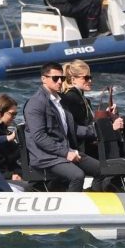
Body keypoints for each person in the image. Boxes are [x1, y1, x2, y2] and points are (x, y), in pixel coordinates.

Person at [24, 62, 103, 192]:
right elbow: (39, 137)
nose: (60, 81)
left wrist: (98, 131)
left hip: (63, 151)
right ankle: (71, 209)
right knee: (77, 176)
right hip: (46, 157)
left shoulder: (59, 101)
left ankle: (94, 202)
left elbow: (71, 128)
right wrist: (65, 153)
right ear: (43, 79)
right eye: (55, 78)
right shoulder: (36, 103)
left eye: (62, 78)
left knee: (101, 169)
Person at [60, 59, 124, 159]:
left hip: (88, 143)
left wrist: (107, 114)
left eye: (90, 77)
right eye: (86, 78)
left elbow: (88, 122)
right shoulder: (71, 98)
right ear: (73, 80)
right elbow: (76, 128)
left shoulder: (81, 98)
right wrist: (108, 128)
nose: (90, 80)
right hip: (83, 149)